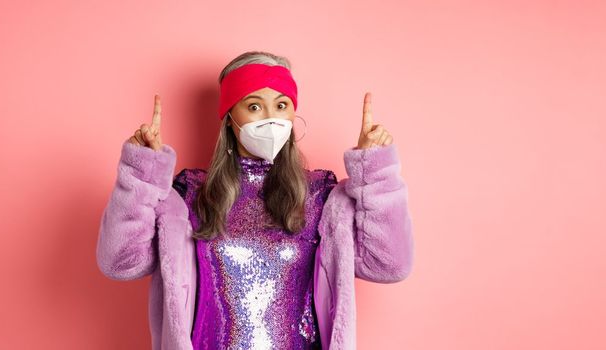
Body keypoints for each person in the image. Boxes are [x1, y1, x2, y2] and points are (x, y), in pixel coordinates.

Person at [96, 51, 414, 350]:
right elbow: (120, 263)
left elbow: (389, 265)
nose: (271, 118)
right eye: (254, 106)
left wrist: (375, 170)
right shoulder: (192, 194)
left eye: (281, 105)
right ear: (230, 118)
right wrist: (142, 171)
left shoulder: (320, 195)